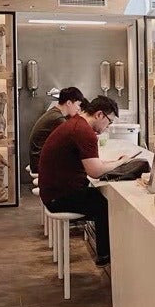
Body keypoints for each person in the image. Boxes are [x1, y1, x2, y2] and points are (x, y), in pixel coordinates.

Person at [38, 95, 125, 267]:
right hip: (58, 197)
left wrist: (109, 163)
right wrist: (121, 163)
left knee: (98, 198)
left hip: (51, 191)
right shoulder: (84, 131)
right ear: (99, 115)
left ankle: (106, 254)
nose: (107, 127)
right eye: (109, 122)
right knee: (106, 205)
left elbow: (91, 164)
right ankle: (105, 257)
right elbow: (95, 172)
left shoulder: (76, 124)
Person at [28, 86, 84, 173]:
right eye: (78, 104)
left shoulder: (54, 113)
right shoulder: (57, 119)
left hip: (38, 160)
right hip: (40, 164)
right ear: (69, 103)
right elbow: (73, 141)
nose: (78, 109)